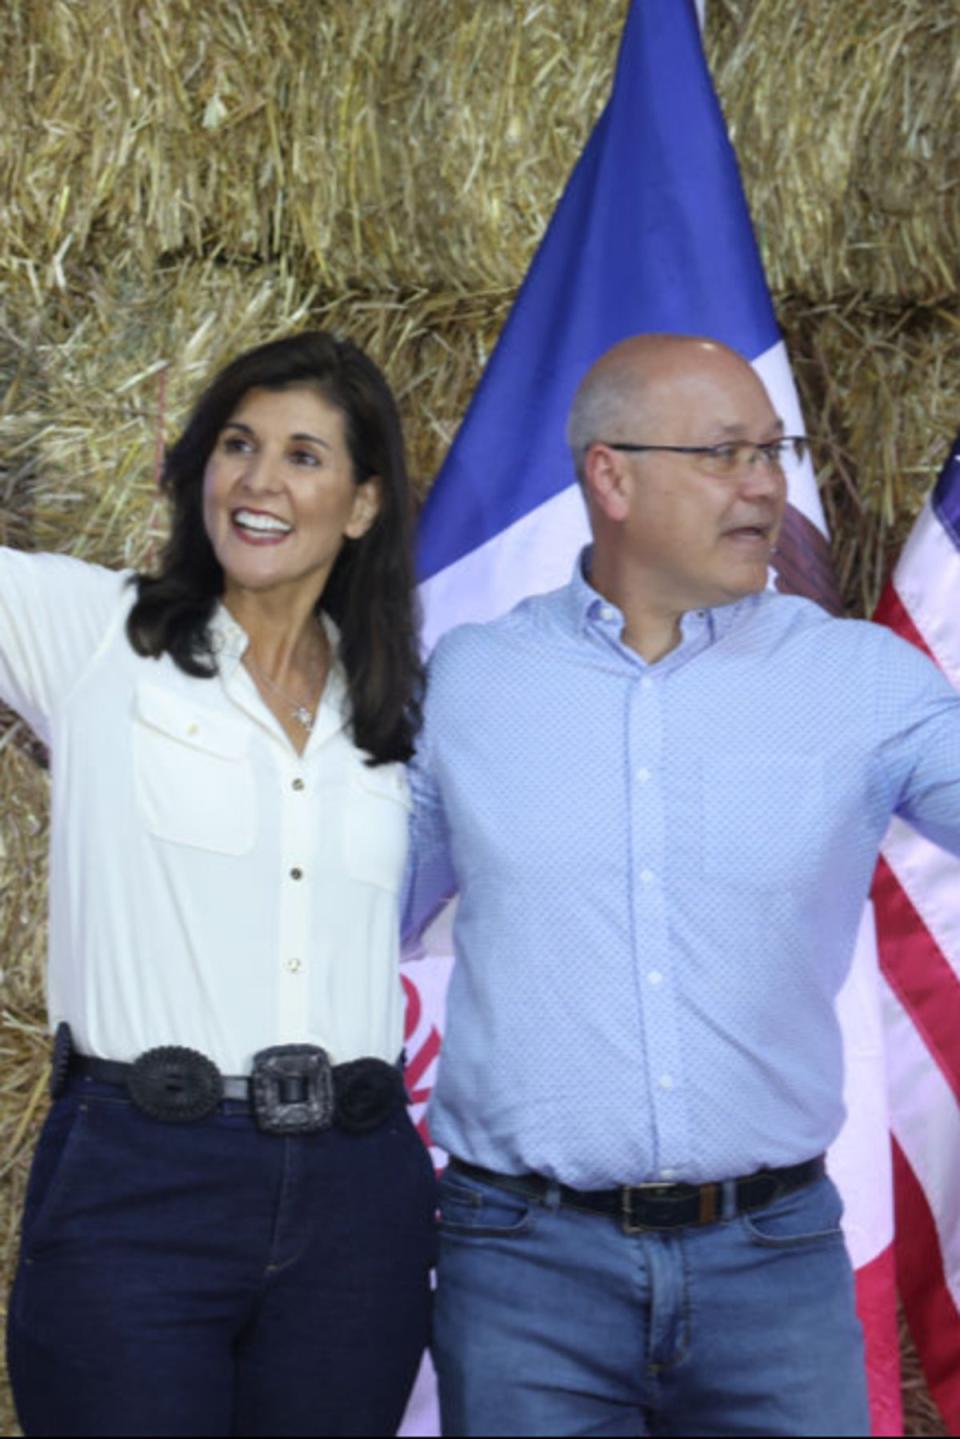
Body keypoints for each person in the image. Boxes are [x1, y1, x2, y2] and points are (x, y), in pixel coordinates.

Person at [404, 333, 960, 1438]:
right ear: (609, 475)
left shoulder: (861, 681)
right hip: (523, 1268)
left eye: (773, 450)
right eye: (725, 454)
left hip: (776, 1260)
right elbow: (344, 916)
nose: (766, 484)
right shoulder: (470, 681)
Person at [2, 330, 436, 1437]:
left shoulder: (398, 709)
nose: (257, 480)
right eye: (237, 445)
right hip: (140, 1174)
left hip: (359, 1191)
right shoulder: (98, 635)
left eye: (303, 455)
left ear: (364, 502)